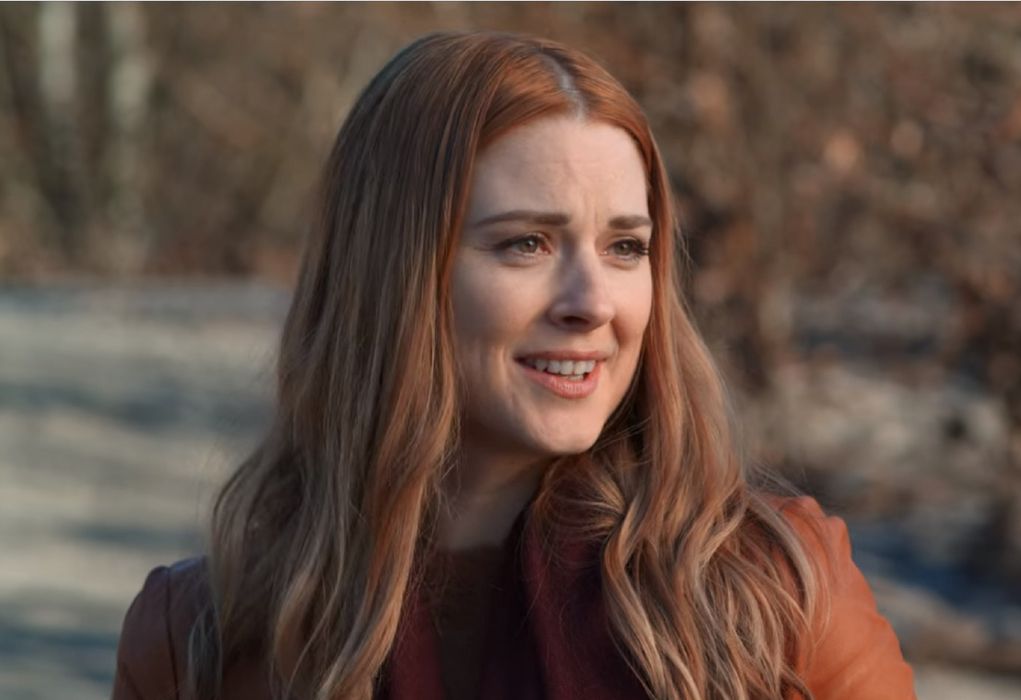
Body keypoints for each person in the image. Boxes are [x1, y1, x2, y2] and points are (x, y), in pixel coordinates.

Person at [111, 30, 916, 700]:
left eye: (626, 247)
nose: (592, 302)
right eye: (526, 243)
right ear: (394, 274)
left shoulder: (769, 593)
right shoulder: (204, 636)